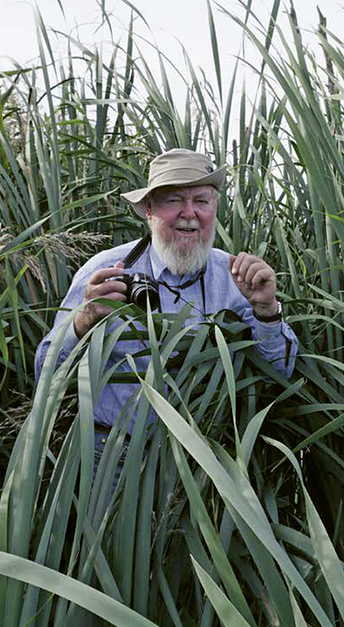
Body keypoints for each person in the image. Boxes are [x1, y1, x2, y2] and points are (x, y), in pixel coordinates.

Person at [33, 149, 298, 482]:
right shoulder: (104, 272)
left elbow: (280, 372)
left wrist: (266, 310)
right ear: (148, 209)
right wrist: (83, 321)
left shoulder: (236, 277)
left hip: (206, 465)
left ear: (214, 208)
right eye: (173, 201)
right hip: (112, 458)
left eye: (201, 201)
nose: (189, 214)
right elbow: (45, 373)